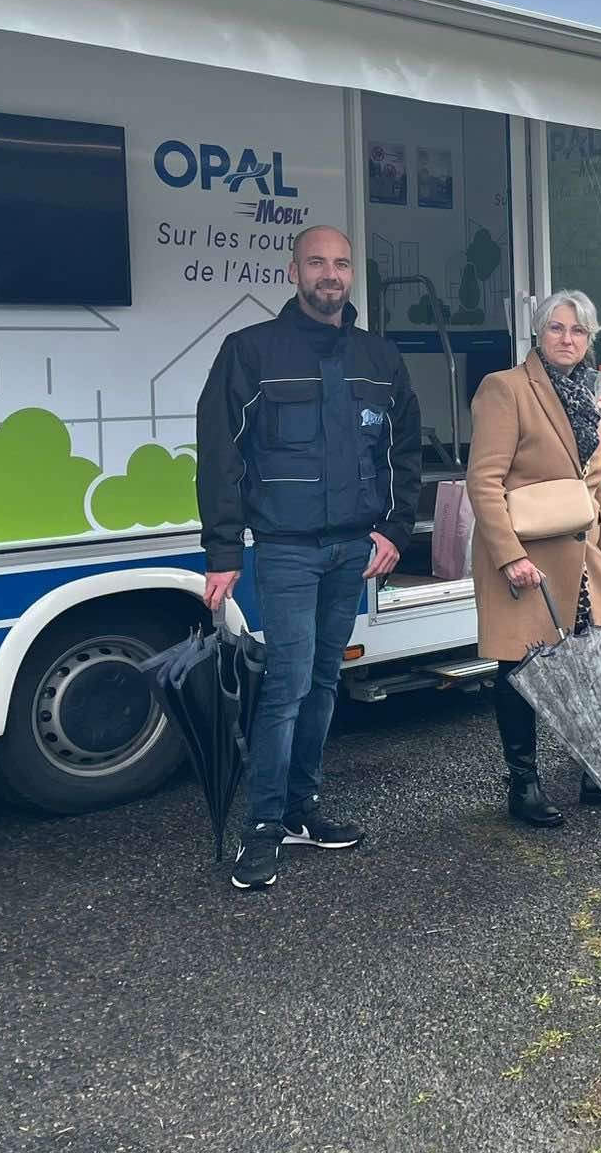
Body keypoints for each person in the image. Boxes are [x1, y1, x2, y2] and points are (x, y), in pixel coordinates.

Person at [197, 225, 422, 891]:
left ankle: (302, 809)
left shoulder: (379, 357)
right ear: (292, 271)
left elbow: (405, 450)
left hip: (353, 548)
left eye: (342, 263)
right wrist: (222, 549)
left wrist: (395, 529)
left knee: (325, 683)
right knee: (288, 689)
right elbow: (220, 456)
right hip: (288, 551)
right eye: (318, 262)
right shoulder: (250, 352)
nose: (331, 274)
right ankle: (263, 828)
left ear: (352, 275)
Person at [466, 290, 601, 827]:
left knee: (598, 663)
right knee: (521, 668)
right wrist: (508, 557)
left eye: (578, 331)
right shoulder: (505, 389)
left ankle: (600, 775)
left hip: (582, 556)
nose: (567, 339)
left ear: (589, 340)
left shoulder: (590, 400)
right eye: (556, 328)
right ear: (538, 333)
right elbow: (483, 482)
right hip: (527, 557)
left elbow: (596, 491)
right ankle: (522, 784)